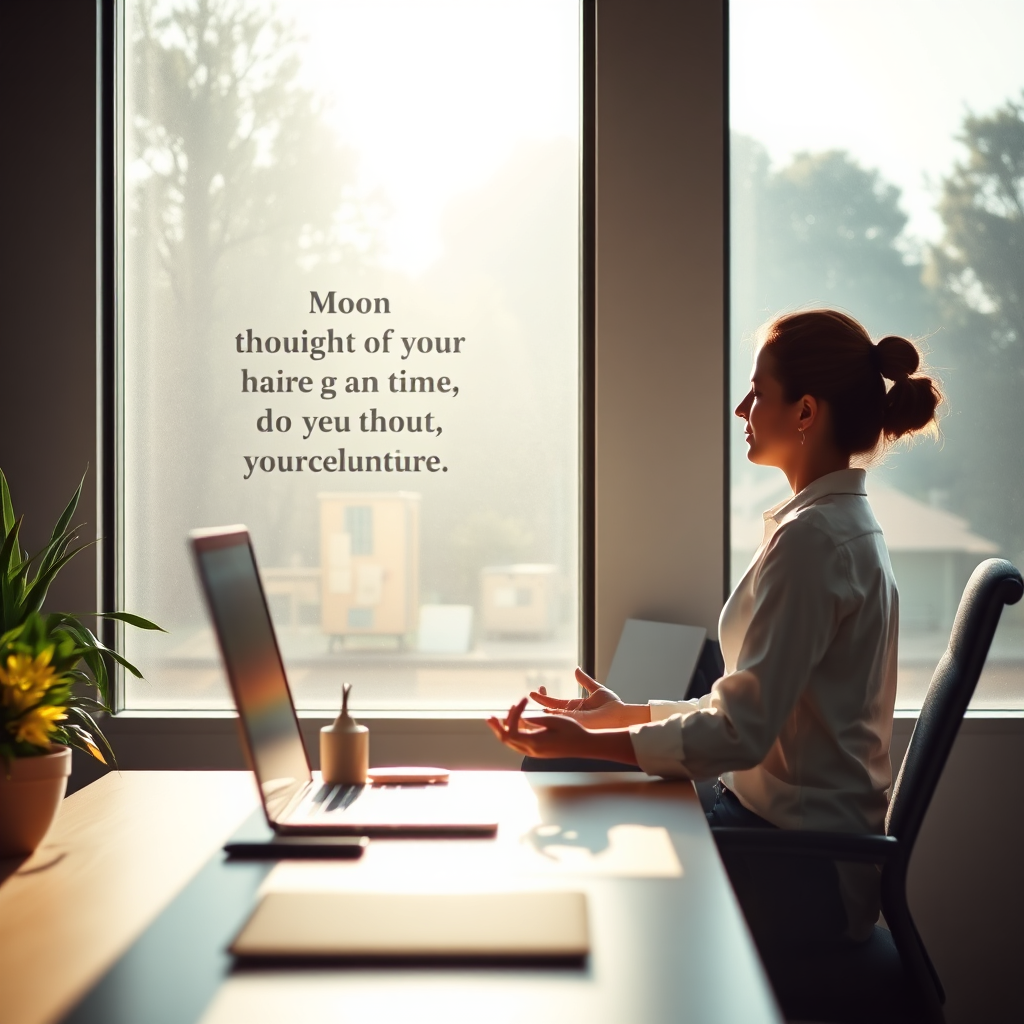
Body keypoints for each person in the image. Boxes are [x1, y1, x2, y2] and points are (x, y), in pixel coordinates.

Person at [488, 308, 943, 947]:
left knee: (577, 800)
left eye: (757, 392)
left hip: (802, 868)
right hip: (782, 837)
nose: (741, 409)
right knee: (583, 787)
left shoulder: (814, 542)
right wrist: (624, 717)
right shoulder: (829, 528)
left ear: (805, 412)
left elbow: (740, 733)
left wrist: (591, 742)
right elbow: (747, 708)